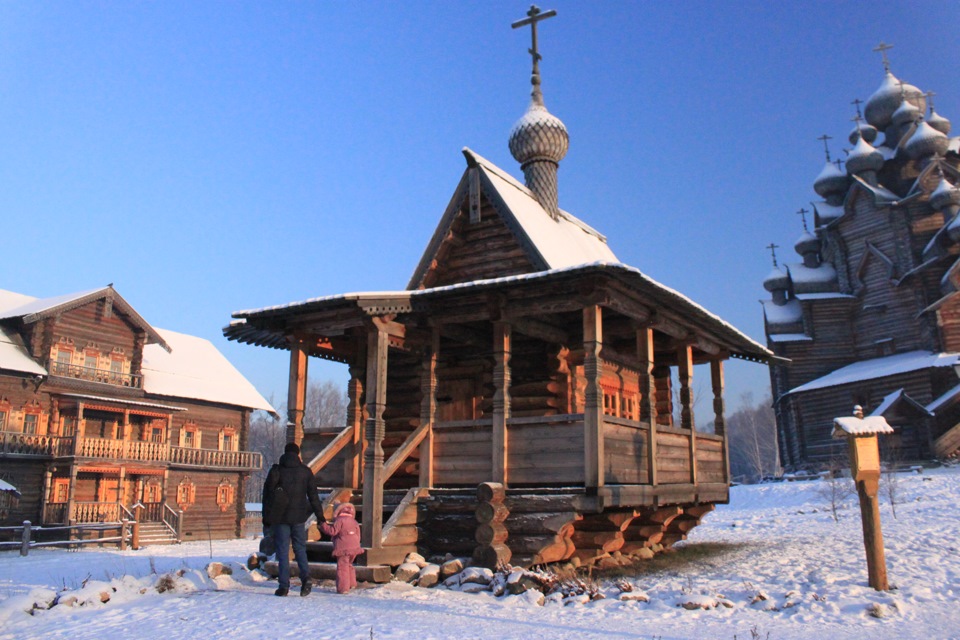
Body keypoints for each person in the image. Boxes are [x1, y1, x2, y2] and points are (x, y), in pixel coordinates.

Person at [262, 441, 324, 597]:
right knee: (300, 549)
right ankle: (306, 579)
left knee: (282, 551)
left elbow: (267, 496)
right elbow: (314, 497)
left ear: (285, 453)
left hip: (280, 518)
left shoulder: (276, 471)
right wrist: (320, 516)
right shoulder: (305, 472)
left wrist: (266, 518)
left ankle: (284, 586)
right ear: (297, 455)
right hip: (298, 518)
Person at [320, 501, 362, 594]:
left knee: (342, 567)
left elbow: (332, 531)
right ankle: (352, 583)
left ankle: (343, 588)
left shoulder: (340, 521)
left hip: (343, 547)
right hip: (354, 547)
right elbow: (358, 534)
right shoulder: (354, 521)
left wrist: (323, 525)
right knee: (349, 565)